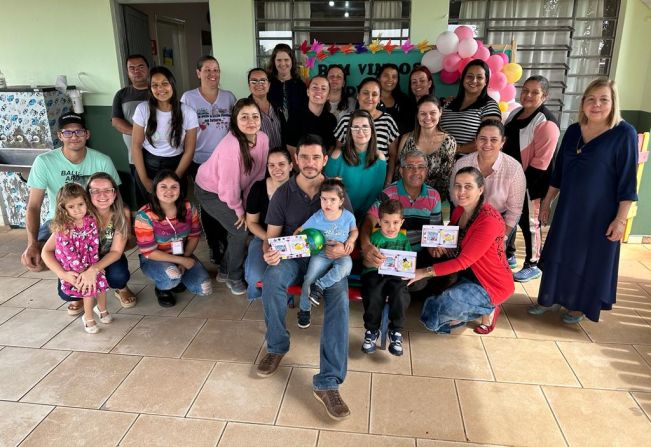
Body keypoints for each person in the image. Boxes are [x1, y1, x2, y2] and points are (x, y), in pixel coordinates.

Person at [257, 134, 352, 421]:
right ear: (296, 160)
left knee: (340, 300)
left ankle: (328, 382)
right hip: (293, 257)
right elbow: (270, 238)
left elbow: (350, 230)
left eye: (316, 157)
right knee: (272, 279)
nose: (310, 163)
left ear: (325, 160)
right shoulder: (283, 194)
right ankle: (277, 346)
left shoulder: (335, 190)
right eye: (304, 157)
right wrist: (269, 253)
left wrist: (346, 247)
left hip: (328, 262)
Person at [530, 79, 638, 324]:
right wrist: (547, 202)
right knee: (561, 251)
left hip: (600, 213)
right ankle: (550, 298)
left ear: (613, 104)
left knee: (587, 258)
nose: (596, 104)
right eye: (591, 99)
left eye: (603, 99)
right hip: (568, 209)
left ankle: (579, 306)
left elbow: (627, 183)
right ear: (583, 102)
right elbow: (558, 173)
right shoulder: (573, 131)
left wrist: (620, 220)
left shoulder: (624, 133)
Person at [413, 167, 514, 334]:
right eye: (457, 186)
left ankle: (488, 308)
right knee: (432, 296)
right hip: (467, 272)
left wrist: (424, 272)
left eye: (468, 186)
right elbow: (452, 239)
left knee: (438, 311)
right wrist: (439, 246)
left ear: (480, 190)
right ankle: (457, 309)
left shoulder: (489, 221)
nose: (461, 191)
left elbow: (462, 261)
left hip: (489, 283)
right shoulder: (460, 209)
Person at [21, 112, 121, 274]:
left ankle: (118, 284)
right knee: (37, 260)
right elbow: (33, 205)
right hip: (58, 220)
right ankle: (72, 284)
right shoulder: (44, 161)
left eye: (79, 131)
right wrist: (32, 243)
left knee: (115, 249)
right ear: (60, 135)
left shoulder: (102, 161)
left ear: (87, 134)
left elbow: (115, 199)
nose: (74, 136)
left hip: (95, 219)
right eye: (67, 132)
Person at [195, 98, 269, 295]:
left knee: (239, 229)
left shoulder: (262, 138)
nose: (250, 121)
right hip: (210, 191)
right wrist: (239, 211)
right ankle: (234, 276)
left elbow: (259, 174)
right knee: (240, 231)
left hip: (232, 190)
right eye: (244, 117)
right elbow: (228, 188)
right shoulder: (231, 146)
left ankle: (225, 270)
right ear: (235, 120)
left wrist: (248, 204)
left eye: (255, 116)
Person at [503, 76, 560, 281]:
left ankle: (534, 263)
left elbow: (541, 163)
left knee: (530, 223)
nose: (527, 95)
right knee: (510, 218)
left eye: (535, 92)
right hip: (512, 178)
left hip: (534, 182)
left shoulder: (546, 123)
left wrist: (521, 186)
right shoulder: (515, 114)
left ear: (545, 96)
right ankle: (509, 255)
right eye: (525, 90)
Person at [182, 55, 236, 266]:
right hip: (200, 161)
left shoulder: (229, 97)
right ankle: (214, 245)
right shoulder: (189, 98)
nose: (213, 74)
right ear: (198, 73)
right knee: (208, 206)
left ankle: (226, 241)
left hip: (227, 161)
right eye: (207, 70)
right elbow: (183, 130)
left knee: (227, 203)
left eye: (216, 70)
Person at [134, 170, 212, 307]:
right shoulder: (145, 215)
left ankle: (177, 277)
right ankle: (162, 288)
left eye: (174, 187)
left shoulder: (188, 207)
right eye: (163, 186)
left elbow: (194, 235)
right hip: (154, 259)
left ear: (180, 189)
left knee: (204, 288)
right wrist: (181, 261)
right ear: (155, 190)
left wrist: (184, 259)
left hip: (181, 253)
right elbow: (149, 252)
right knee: (171, 277)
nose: (169, 191)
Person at [40, 183, 111, 334]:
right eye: (71, 207)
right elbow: (68, 253)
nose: (77, 209)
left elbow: (93, 244)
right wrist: (83, 273)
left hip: (89, 263)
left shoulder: (91, 221)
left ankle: (101, 308)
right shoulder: (63, 228)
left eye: (80, 204)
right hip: (73, 267)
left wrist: (94, 267)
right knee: (89, 288)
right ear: (63, 208)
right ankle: (88, 318)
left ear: (86, 202)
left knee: (102, 282)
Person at [294, 179, 357, 325]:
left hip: (342, 253)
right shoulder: (317, 217)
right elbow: (300, 229)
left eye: (332, 200)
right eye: (324, 199)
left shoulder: (348, 216)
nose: (327, 204)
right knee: (309, 278)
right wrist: (294, 240)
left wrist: (351, 241)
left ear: (341, 201)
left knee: (346, 267)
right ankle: (304, 309)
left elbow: (354, 230)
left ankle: (320, 286)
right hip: (322, 253)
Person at [450, 120, 526, 242]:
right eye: (483, 139)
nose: (487, 144)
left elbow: (514, 210)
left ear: (503, 142)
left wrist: (502, 238)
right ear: (476, 140)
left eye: (494, 140)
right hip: (467, 217)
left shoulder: (514, 168)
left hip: (500, 222)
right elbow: (455, 197)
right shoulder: (462, 164)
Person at [131, 66, 198, 198]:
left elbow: (189, 151)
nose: (160, 89)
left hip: (177, 166)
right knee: (150, 213)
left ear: (172, 84)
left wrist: (174, 178)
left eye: (164, 84)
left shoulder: (188, 112)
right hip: (148, 166)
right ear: (150, 88)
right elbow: (136, 146)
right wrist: (144, 179)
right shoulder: (143, 109)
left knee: (175, 212)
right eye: (154, 85)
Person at [360, 199, 411, 356]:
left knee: (400, 293)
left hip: (396, 276)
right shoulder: (374, 239)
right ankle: (372, 330)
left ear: (402, 222)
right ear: (379, 221)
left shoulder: (403, 240)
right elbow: (365, 262)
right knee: (374, 293)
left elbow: (408, 262)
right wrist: (371, 263)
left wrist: (407, 270)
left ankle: (395, 331)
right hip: (375, 274)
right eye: (386, 222)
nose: (391, 227)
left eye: (395, 222)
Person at [244, 146, 293, 300]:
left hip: (292, 239)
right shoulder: (259, 188)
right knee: (254, 276)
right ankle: (259, 297)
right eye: (271, 165)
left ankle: (285, 297)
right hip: (263, 236)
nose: (276, 169)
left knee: (284, 275)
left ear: (291, 166)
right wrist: (269, 238)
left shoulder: (300, 186)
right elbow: (251, 222)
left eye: (281, 164)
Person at [324, 109, 387, 220]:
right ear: (350, 132)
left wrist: (362, 221)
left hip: (366, 218)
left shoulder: (380, 159)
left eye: (365, 127)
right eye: (356, 127)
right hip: (338, 216)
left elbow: (374, 196)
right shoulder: (337, 156)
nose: (360, 131)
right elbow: (326, 192)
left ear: (372, 130)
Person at [395, 95, 457, 203]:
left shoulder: (449, 142)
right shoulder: (406, 139)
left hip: (433, 202)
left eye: (432, 113)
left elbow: (445, 181)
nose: (428, 117)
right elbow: (398, 173)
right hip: (403, 200)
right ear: (417, 116)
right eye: (423, 113)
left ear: (440, 113)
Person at [439, 59, 501, 155]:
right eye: (469, 76)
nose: (474, 80)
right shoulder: (449, 103)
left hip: (469, 165)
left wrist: (457, 149)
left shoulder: (490, 106)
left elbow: (490, 140)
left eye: (479, 77)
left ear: (486, 81)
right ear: (463, 78)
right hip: (442, 162)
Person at [111, 53, 150, 207]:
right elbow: (116, 121)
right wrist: (139, 133)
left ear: (148, 69)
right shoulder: (122, 94)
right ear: (127, 72)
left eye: (141, 67)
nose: (136, 71)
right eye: (131, 68)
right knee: (142, 196)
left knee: (164, 193)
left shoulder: (158, 90)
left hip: (160, 154)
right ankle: (144, 228)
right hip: (134, 156)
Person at [333, 77, 399, 166]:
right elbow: (338, 152)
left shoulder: (388, 121)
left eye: (374, 94)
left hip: (380, 176)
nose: (370, 97)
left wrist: (388, 180)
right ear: (358, 95)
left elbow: (393, 155)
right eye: (365, 93)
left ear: (379, 99)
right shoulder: (345, 120)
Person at [286, 75, 337, 156]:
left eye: (323, 89)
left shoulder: (331, 119)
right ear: (308, 92)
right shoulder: (295, 117)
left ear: (328, 96)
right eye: (315, 87)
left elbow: (331, 148)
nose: (318, 91)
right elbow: (291, 149)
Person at [267, 43, 308, 123]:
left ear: (292, 61)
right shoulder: (267, 85)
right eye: (279, 60)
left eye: (286, 60)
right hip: (272, 132)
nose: (282, 64)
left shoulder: (301, 86)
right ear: (274, 62)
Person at [248, 67, 285, 149]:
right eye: (254, 81)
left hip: (279, 159)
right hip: (258, 160)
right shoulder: (244, 110)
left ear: (268, 85)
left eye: (263, 80)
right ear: (249, 86)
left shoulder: (277, 107)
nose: (259, 84)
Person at [377, 63, 410, 134]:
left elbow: (408, 128)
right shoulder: (371, 99)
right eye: (386, 76)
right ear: (379, 78)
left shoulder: (404, 100)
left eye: (394, 77)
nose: (390, 79)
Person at [405, 66, 436, 133]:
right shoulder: (405, 108)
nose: (418, 84)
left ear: (429, 83)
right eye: (414, 82)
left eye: (422, 81)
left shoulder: (437, 105)